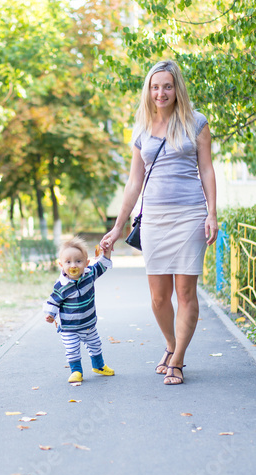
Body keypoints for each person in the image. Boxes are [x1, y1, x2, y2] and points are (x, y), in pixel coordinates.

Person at [100, 60, 218, 385]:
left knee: (185, 293)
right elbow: (134, 182)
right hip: (152, 219)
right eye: (155, 87)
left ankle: (177, 359)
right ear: (148, 90)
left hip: (190, 216)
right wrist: (118, 225)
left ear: (176, 88)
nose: (160, 92)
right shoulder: (141, 129)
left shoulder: (196, 123)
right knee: (158, 297)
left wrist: (212, 212)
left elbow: (206, 170)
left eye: (167, 86)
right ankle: (171, 343)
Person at [44, 236, 115, 383]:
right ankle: (76, 371)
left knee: (95, 345)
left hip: (89, 325)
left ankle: (99, 366)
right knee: (72, 350)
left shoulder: (89, 275)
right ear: (61, 265)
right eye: (68, 262)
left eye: (78, 261)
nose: (73, 265)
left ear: (86, 263)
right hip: (69, 328)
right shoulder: (61, 285)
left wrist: (106, 252)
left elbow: (102, 266)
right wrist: (50, 315)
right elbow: (53, 301)